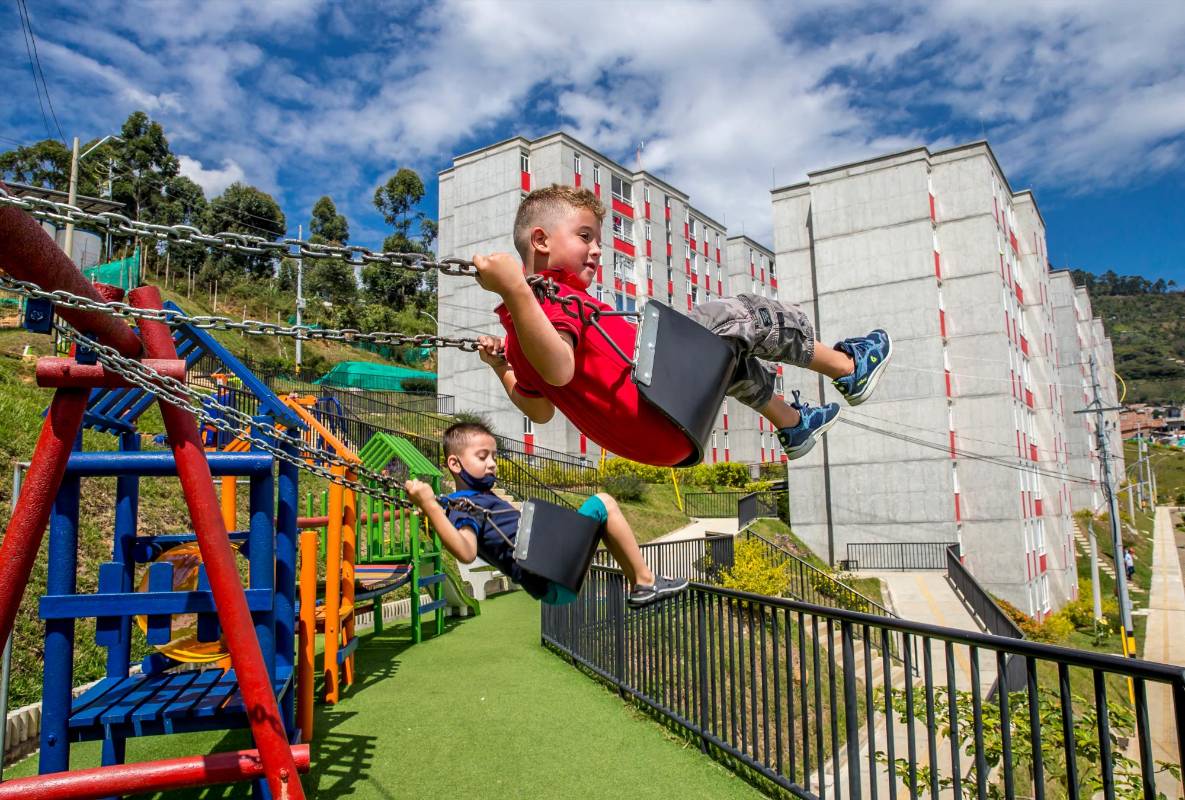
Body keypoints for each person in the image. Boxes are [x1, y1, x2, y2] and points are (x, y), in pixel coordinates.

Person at [469, 184, 893, 467]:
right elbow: (559, 368)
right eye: (585, 237)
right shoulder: (548, 297)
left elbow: (539, 409)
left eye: (599, 240)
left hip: (660, 433)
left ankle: (791, 423)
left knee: (723, 358)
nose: (597, 251)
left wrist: (500, 367)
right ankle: (848, 367)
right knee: (734, 315)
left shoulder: (520, 334)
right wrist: (516, 290)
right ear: (541, 241)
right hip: (658, 411)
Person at [404, 421, 688, 607]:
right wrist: (429, 505)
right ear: (454, 463)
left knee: (600, 515)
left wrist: (433, 506)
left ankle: (641, 584)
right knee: (603, 503)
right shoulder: (464, 505)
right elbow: (465, 552)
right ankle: (645, 582)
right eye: (482, 457)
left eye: (494, 456)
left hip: (552, 574)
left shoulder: (474, 499)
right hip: (549, 574)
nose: (492, 464)